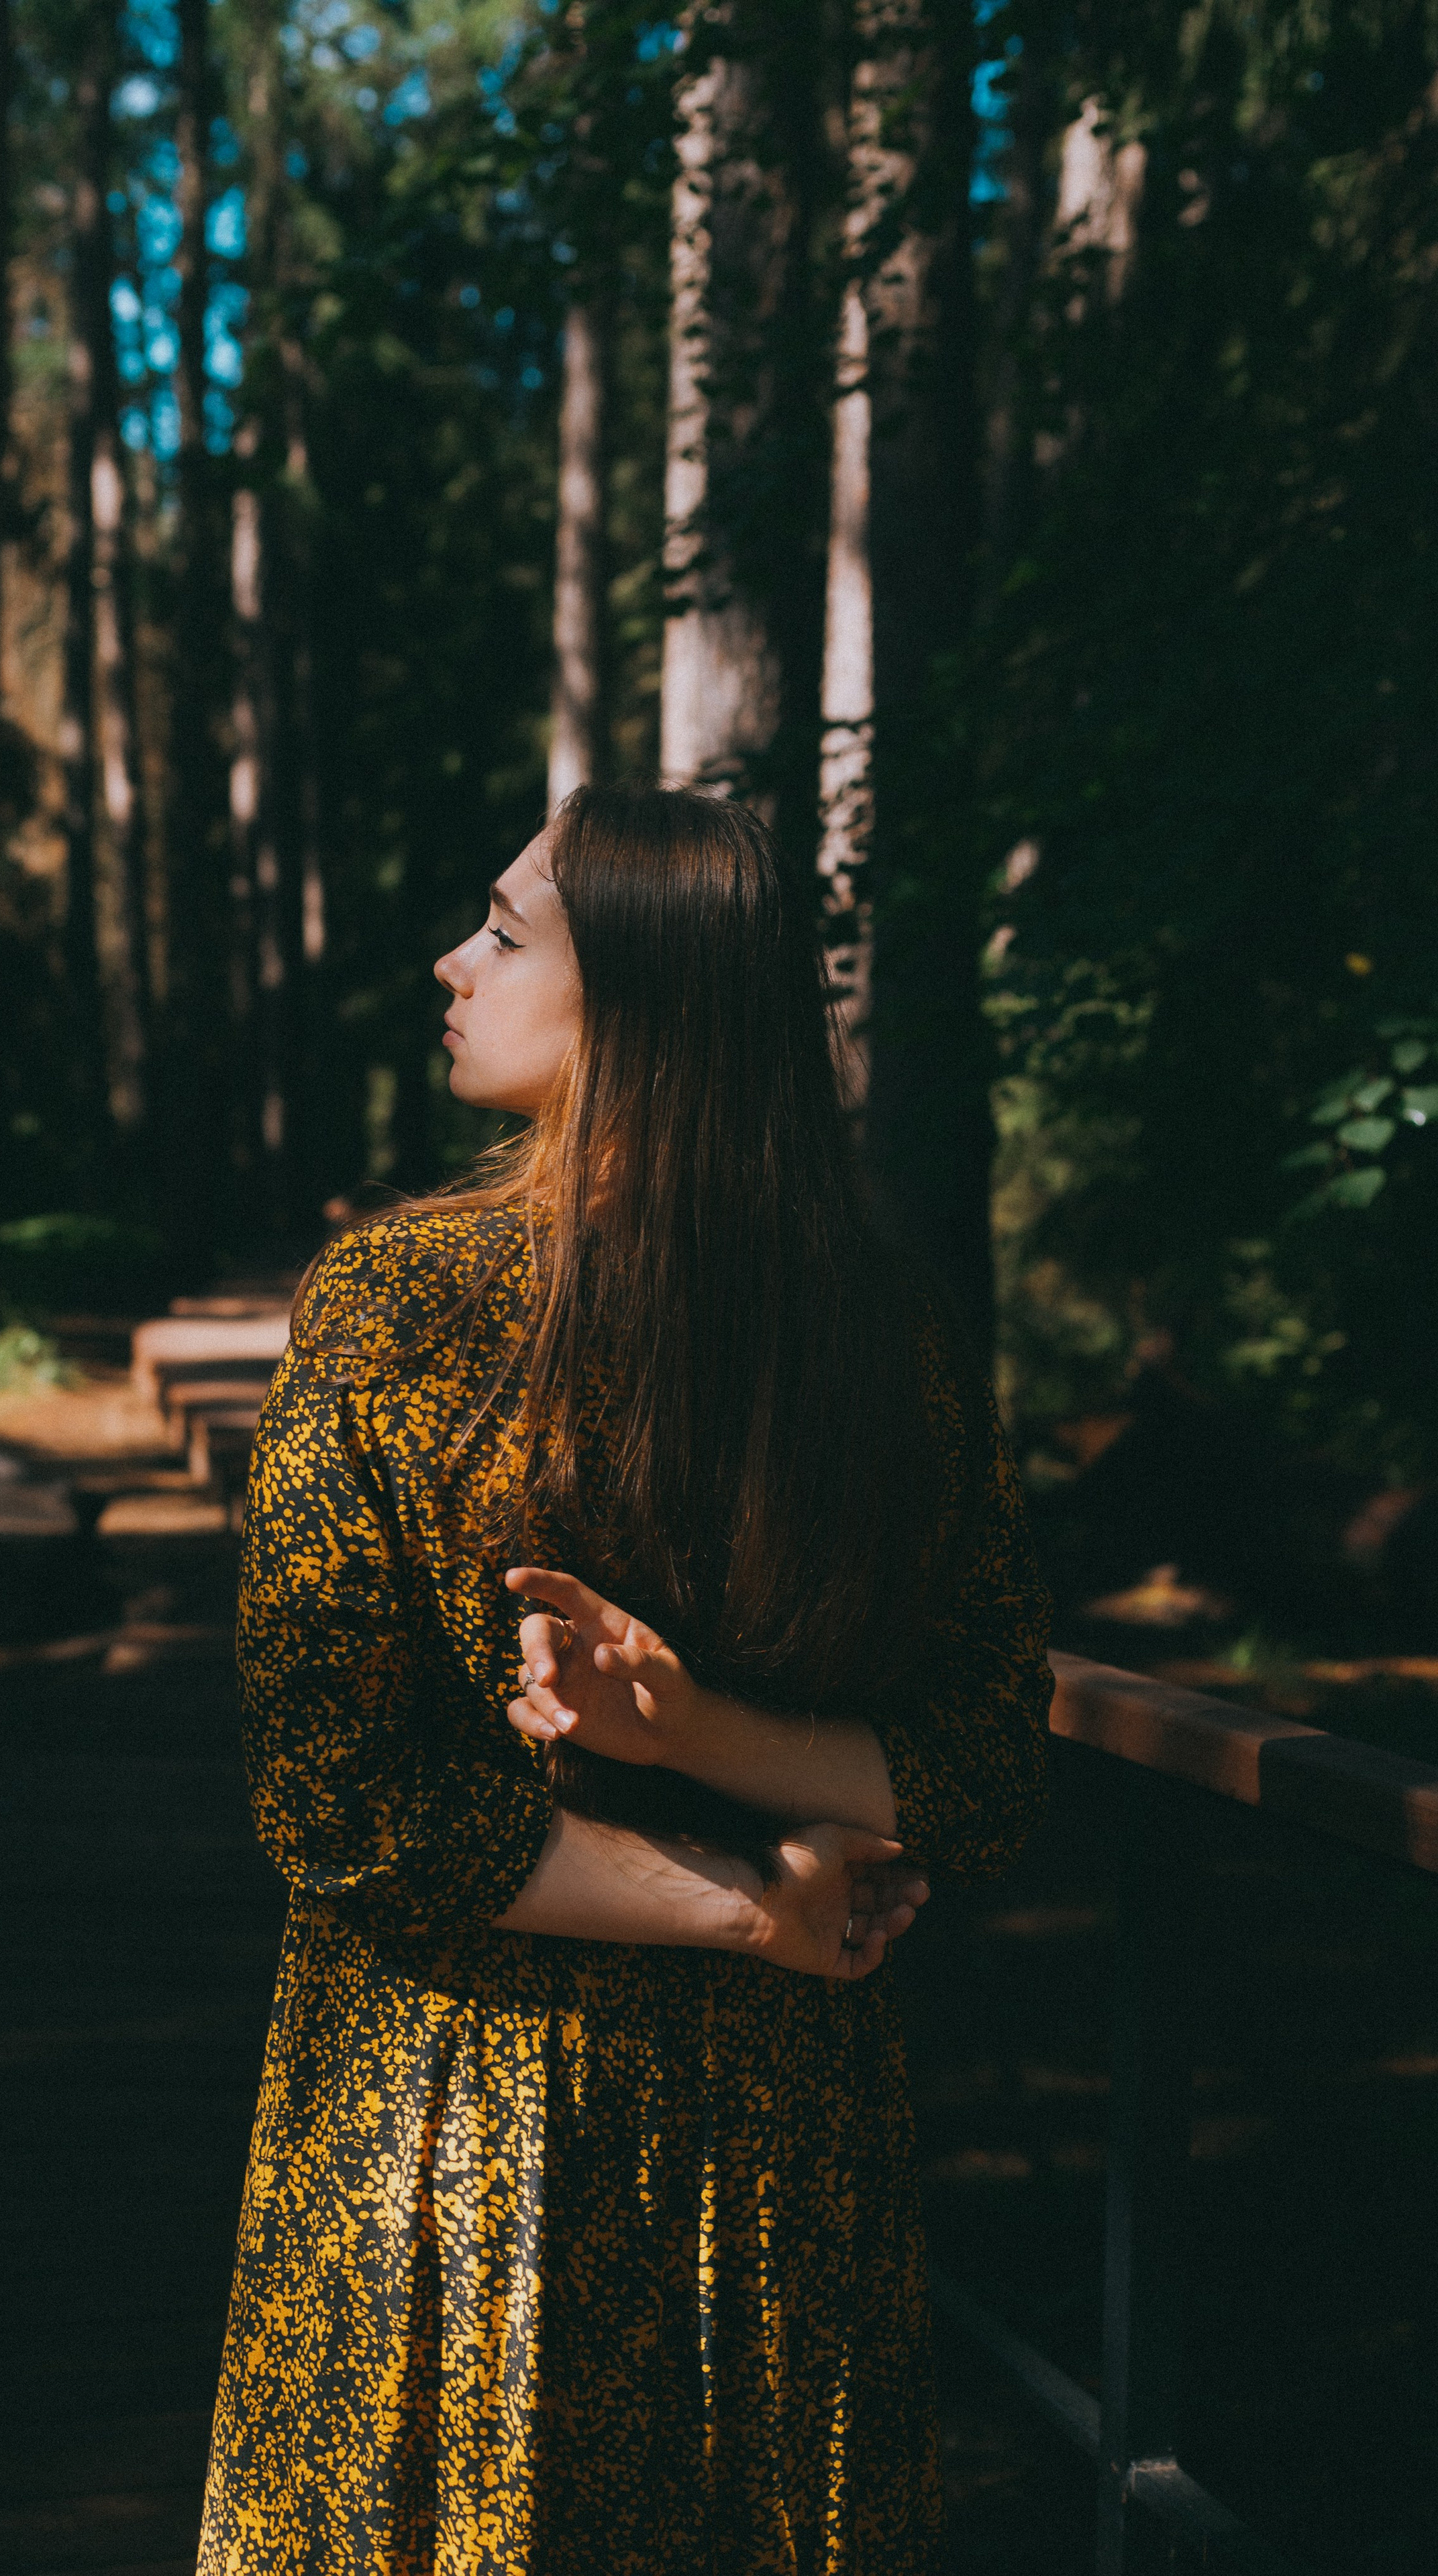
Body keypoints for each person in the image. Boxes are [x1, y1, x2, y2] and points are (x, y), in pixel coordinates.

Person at [197, 785, 1053, 2575]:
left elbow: (336, 1802)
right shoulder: (879, 1325)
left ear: (644, 1004)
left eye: (505, 934)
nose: (452, 961)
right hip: (781, 2152)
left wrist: (709, 1809)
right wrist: (759, 1841)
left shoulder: (395, 1308)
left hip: (457, 2119)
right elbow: (980, 1756)